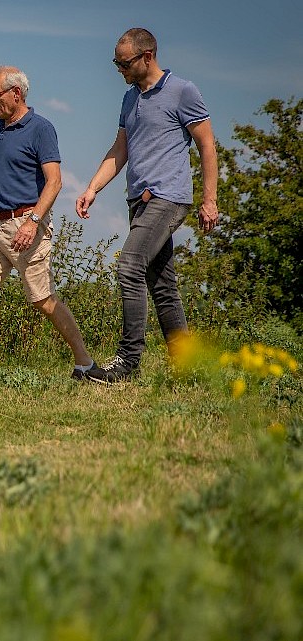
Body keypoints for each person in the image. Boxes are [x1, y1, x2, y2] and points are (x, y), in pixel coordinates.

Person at [75, 28, 219, 384]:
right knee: (162, 283)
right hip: (137, 200)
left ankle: (128, 361)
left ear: (147, 56)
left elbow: (207, 146)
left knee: (129, 266)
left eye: (124, 63)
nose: (119, 69)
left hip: (168, 197)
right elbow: (120, 149)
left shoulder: (182, 91)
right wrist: (93, 187)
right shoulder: (129, 99)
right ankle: (186, 366)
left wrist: (209, 199)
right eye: (116, 63)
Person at [0, 66, 95, 383]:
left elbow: (55, 181)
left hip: (26, 226)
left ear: (15, 93)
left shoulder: (41, 128)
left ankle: (84, 363)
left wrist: (33, 222)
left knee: (43, 301)